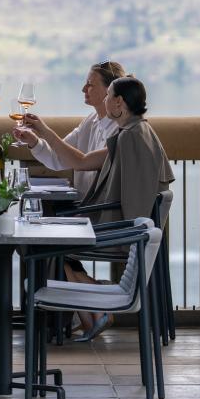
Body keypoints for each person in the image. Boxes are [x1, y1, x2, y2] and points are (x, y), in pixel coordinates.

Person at [22, 75, 174, 340]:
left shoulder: (129, 136)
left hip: (124, 230)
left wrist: (44, 130)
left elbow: (83, 164)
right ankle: (89, 309)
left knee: (43, 243)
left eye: (107, 96)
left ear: (119, 102)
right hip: (130, 225)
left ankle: (86, 308)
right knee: (46, 239)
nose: (103, 102)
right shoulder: (136, 131)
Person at [12, 61, 127, 198]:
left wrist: (45, 130)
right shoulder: (90, 121)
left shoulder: (122, 130)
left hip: (97, 211)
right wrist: (34, 142)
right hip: (81, 206)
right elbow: (56, 158)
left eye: (90, 84)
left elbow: (81, 162)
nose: (83, 89)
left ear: (109, 90)